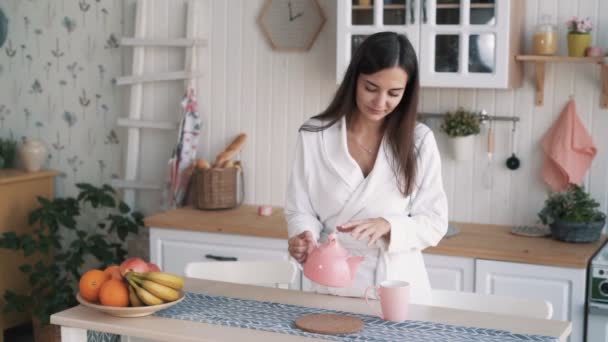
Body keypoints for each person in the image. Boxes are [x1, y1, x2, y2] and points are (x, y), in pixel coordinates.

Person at [284, 31, 448, 305]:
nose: (380, 102)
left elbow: (434, 223)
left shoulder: (419, 141)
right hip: (332, 280)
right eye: (371, 88)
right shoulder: (315, 135)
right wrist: (304, 237)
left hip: (397, 285)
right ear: (354, 80)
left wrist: (389, 226)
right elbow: (300, 209)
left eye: (394, 93)